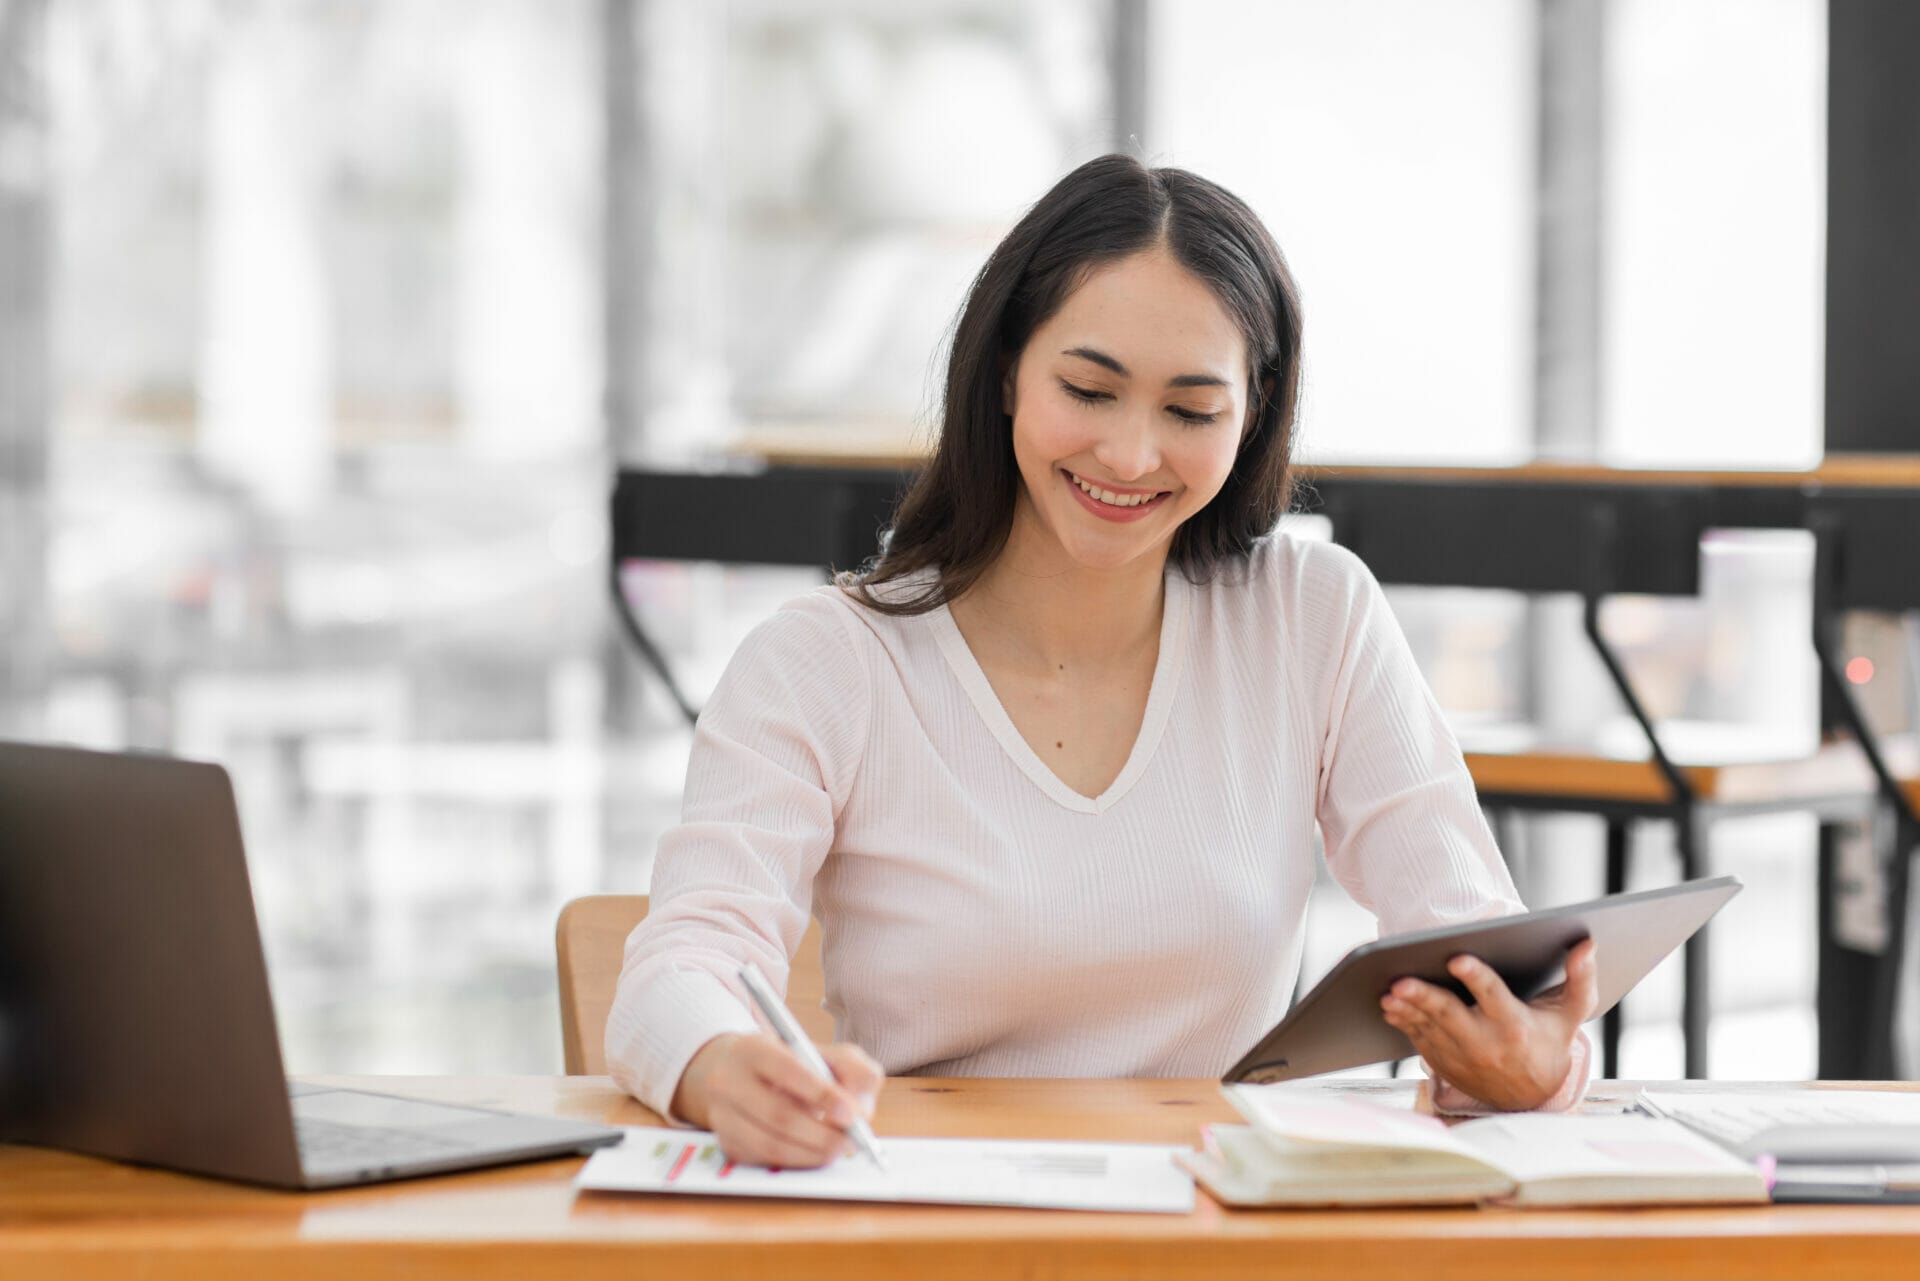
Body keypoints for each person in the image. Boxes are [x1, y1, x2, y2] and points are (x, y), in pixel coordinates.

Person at [606, 154, 1596, 1169]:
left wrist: (1535, 1068)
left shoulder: (1313, 615)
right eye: (1089, 388)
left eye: (1190, 411)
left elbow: (1481, 950)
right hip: (934, 1216)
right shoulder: (826, 663)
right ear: (1004, 372)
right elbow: (684, 961)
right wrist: (725, 1065)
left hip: (1216, 1225)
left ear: (1251, 415)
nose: (1129, 456)